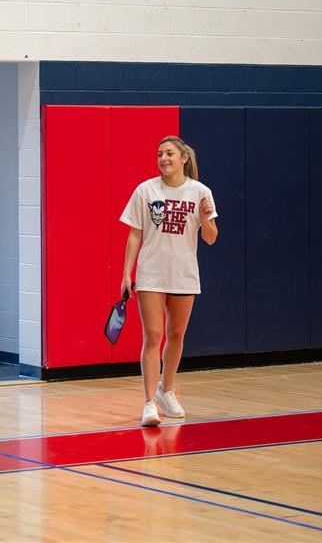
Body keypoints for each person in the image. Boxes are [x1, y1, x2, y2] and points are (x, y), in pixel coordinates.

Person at [119, 135, 218, 427]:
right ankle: (149, 403)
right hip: (151, 274)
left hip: (184, 274)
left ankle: (167, 390)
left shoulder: (200, 192)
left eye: (169, 153)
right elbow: (134, 233)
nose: (163, 158)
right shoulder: (145, 190)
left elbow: (211, 238)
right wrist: (127, 273)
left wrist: (206, 219)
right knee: (153, 336)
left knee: (176, 337)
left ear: (183, 158)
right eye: (159, 154)